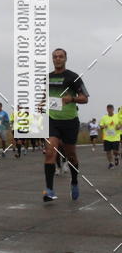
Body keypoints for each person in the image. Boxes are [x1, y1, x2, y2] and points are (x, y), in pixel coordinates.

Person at [42, 48, 88, 202]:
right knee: (50, 152)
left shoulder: (73, 77)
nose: (57, 59)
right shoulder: (47, 78)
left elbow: (85, 98)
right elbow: (43, 97)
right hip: (52, 120)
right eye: (55, 57)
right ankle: (49, 190)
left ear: (65, 59)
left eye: (61, 56)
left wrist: (72, 99)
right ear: (52, 59)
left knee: (71, 155)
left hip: (69, 122)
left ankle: (74, 181)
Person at [99, 105, 121, 170]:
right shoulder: (104, 117)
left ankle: (116, 156)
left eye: (111, 108)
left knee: (115, 151)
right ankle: (111, 163)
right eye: (108, 109)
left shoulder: (117, 116)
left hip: (115, 137)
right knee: (108, 151)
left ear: (113, 109)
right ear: (107, 109)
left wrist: (119, 126)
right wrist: (103, 126)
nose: (110, 110)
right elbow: (100, 126)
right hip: (107, 137)